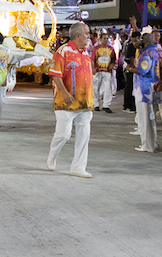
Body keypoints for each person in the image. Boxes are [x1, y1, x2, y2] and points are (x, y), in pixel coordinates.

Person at [46, 22, 94, 178]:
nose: (89, 36)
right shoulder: (63, 51)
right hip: (65, 102)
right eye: (86, 33)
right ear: (78, 35)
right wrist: (65, 93)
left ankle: (78, 167)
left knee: (84, 135)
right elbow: (54, 74)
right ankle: (52, 156)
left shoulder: (86, 53)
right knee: (64, 135)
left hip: (84, 103)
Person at [128, 33, 160, 152]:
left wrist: (129, 68)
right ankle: (154, 142)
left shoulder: (146, 54)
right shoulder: (157, 51)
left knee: (144, 118)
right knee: (151, 118)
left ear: (145, 41)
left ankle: (147, 145)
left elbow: (142, 70)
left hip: (144, 89)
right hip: (155, 87)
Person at [91, 31, 116, 113]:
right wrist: (93, 68)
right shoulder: (95, 48)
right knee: (95, 88)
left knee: (107, 88)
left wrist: (112, 65)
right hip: (97, 71)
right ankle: (96, 105)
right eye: (104, 38)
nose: (106, 40)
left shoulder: (111, 48)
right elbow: (92, 60)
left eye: (107, 38)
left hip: (107, 71)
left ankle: (106, 105)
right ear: (100, 39)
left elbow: (113, 59)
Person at [122, 32, 141, 113]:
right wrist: (132, 69)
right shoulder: (130, 46)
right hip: (130, 68)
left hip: (135, 69)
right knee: (129, 86)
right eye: (133, 41)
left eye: (136, 41)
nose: (134, 43)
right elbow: (131, 58)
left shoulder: (142, 47)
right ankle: (128, 105)